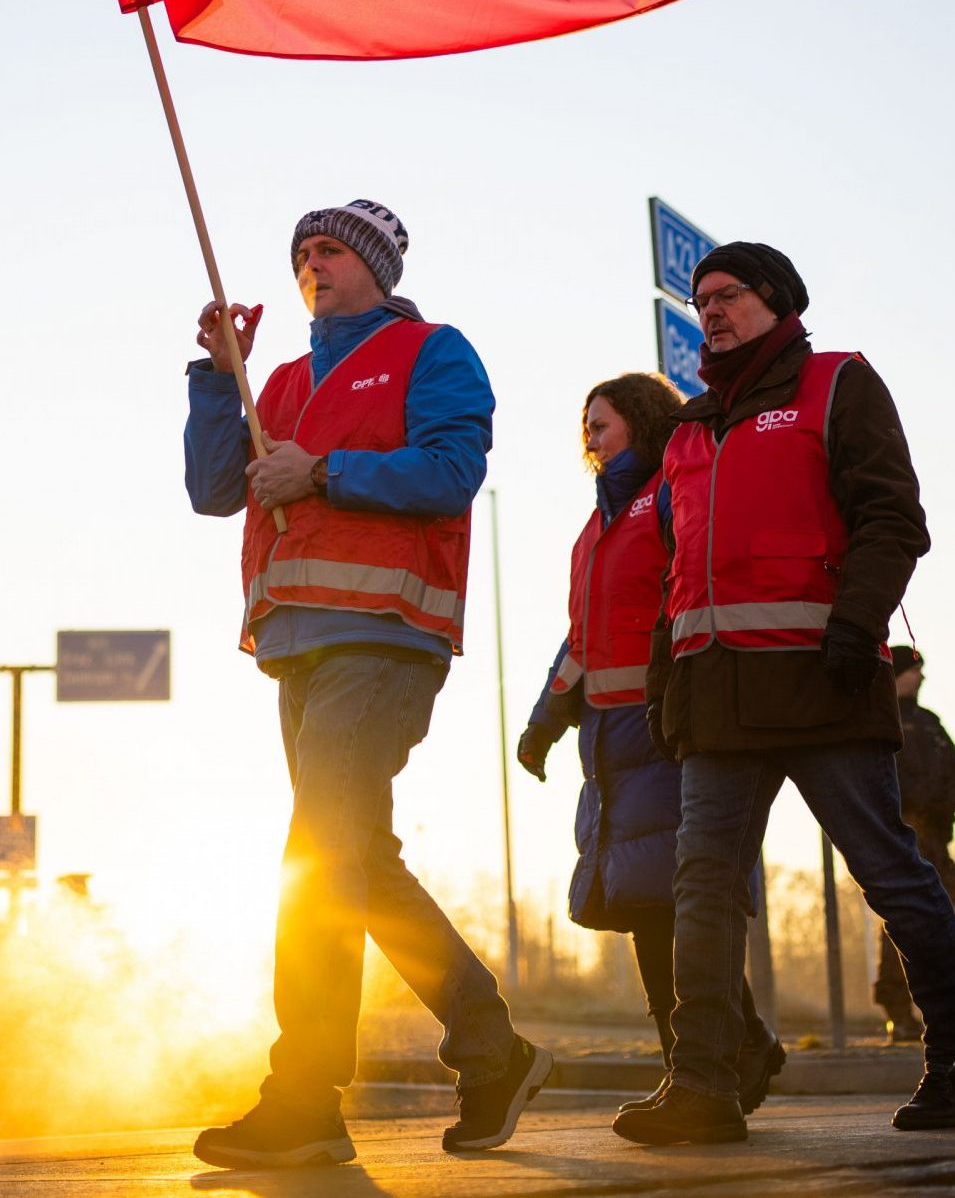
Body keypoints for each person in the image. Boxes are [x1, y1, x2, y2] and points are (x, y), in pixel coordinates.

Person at [184, 198, 552, 1170]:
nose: (314, 261)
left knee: (328, 859)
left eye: (333, 249)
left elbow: (448, 470)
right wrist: (219, 383)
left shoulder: (432, 349)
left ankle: (313, 1095)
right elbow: (215, 489)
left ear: (378, 267)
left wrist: (323, 474)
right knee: (337, 862)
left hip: (385, 635)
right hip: (297, 646)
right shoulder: (287, 377)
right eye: (303, 250)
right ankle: (476, 1055)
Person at [614, 241, 955, 1148]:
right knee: (702, 892)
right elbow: (676, 572)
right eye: (700, 298)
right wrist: (663, 683)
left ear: (777, 301)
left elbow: (893, 517)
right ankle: (702, 1087)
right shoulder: (687, 430)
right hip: (714, 700)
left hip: (821, 681)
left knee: (888, 870)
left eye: (727, 295)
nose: (709, 310)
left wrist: (854, 630)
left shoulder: (838, 384)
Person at [517, 374, 784, 1118]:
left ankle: (715, 1057)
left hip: (664, 725)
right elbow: (582, 638)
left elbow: (692, 589)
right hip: (608, 741)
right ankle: (728, 1051)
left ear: (639, 420)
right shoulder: (593, 528)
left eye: (601, 425)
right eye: (585, 430)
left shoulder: (668, 495)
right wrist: (544, 719)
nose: (591, 440)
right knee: (644, 901)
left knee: (671, 896)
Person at [873, 646, 955, 1043]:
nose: (920, 678)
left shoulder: (931, 724)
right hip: (900, 835)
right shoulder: (878, 720)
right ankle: (899, 1013)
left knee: (945, 919)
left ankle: (940, 1012)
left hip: (937, 838)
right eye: (913, 670)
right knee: (903, 923)